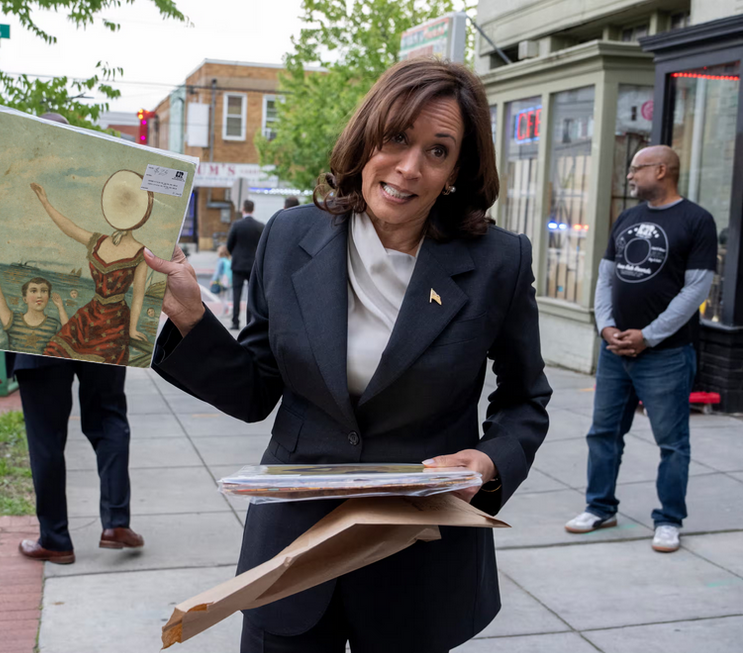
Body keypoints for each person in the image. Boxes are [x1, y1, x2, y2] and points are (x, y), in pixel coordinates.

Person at [143, 58, 551, 652]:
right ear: (367, 139)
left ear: (457, 170)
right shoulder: (288, 237)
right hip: (291, 556)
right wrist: (190, 318)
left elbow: (525, 400)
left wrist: (487, 462)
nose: (409, 168)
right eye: (396, 139)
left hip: (417, 562)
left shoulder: (499, 263)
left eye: (437, 151)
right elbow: (257, 389)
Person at [0, 112, 144, 566]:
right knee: (109, 419)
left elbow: (0, 255)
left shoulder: (10, 179)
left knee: (46, 437)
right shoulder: (99, 181)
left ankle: (55, 539)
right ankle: (115, 521)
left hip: (42, 338)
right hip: (105, 337)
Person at [565, 146, 717, 554]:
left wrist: (648, 335)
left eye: (637, 168)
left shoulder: (697, 220)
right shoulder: (628, 218)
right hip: (615, 352)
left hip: (665, 355)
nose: (630, 175)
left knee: (672, 443)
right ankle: (599, 507)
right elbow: (605, 277)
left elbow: (696, 289)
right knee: (603, 435)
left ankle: (669, 520)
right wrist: (606, 326)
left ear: (662, 170)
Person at [33, 172, 151, 364]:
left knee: (102, 375)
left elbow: (138, 294)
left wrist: (132, 329)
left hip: (115, 322)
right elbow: (69, 228)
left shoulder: (141, 254)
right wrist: (46, 203)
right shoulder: (98, 241)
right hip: (89, 315)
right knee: (54, 350)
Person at [0, 255, 68, 354]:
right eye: (33, 291)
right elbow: (0, 305)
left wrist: (60, 308)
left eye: (44, 291)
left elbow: (68, 337)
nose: (39, 295)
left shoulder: (54, 325)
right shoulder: (13, 321)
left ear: (48, 297)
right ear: (25, 299)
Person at [226, 199, 264, 330]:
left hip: (238, 264)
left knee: (236, 293)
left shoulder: (237, 225)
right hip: (253, 265)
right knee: (252, 295)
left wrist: (235, 255)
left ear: (243, 209)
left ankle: (235, 321)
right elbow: (262, 246)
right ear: (253, 209)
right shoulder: (260, 226)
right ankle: (250, 322)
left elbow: (229, 244)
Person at [212, 244, 232, 316]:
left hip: (221, 280)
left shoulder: (220, 260)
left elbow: (217, 272)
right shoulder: (228, 259)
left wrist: (213, 280)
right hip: (228, 280)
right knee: (225, 296)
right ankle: (225, 311)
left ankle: (228, 308)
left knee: (221, 296)